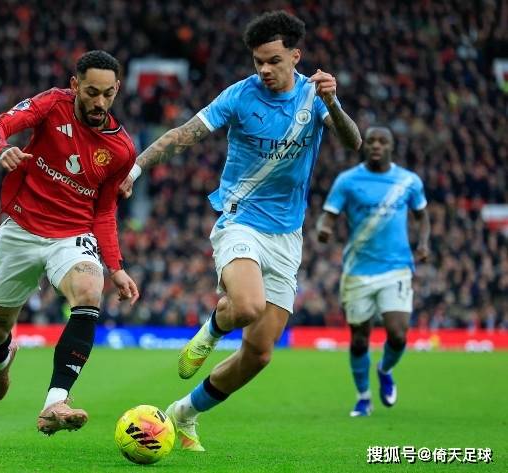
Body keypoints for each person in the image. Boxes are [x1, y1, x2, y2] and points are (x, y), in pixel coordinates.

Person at [120, 11, 362, 451]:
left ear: (296, 56)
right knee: (247, 306)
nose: (264, 69)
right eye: (258, 61)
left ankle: (183, 413)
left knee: (259, 353)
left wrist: (333, 104)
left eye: (273, 60)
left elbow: (353, 143)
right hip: (240, 220)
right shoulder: (239, 95)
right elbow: (184, 134)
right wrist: (136, 168)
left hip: (287, 235)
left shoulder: (314, 96)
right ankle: (211, 331)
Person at [0, 50, 139, 435]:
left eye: (108, 94)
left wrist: (115, 267)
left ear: (117, 90)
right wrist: (1, 149)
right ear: (75, 85)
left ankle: (55, 402)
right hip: (21, 229)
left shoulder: (121, 149)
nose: (100, 102)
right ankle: (0, 360)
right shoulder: (52, 104)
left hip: (72, 234)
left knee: (89, 289)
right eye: (92, 92)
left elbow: (104, 211)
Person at [316, 126, 430, 417]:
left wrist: (424, 243)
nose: (376, 145)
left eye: (383, 141)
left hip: (397, 268)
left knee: (398, 335)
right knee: (359, 340)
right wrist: (324, 229)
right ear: (363, 146)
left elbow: (422, 215)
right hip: (358, 271)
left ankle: (385, 369)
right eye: (371, 141)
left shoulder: (408, 181)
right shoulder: (348, 180)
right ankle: (363, 397)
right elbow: (328, 216)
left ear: (392, 147)